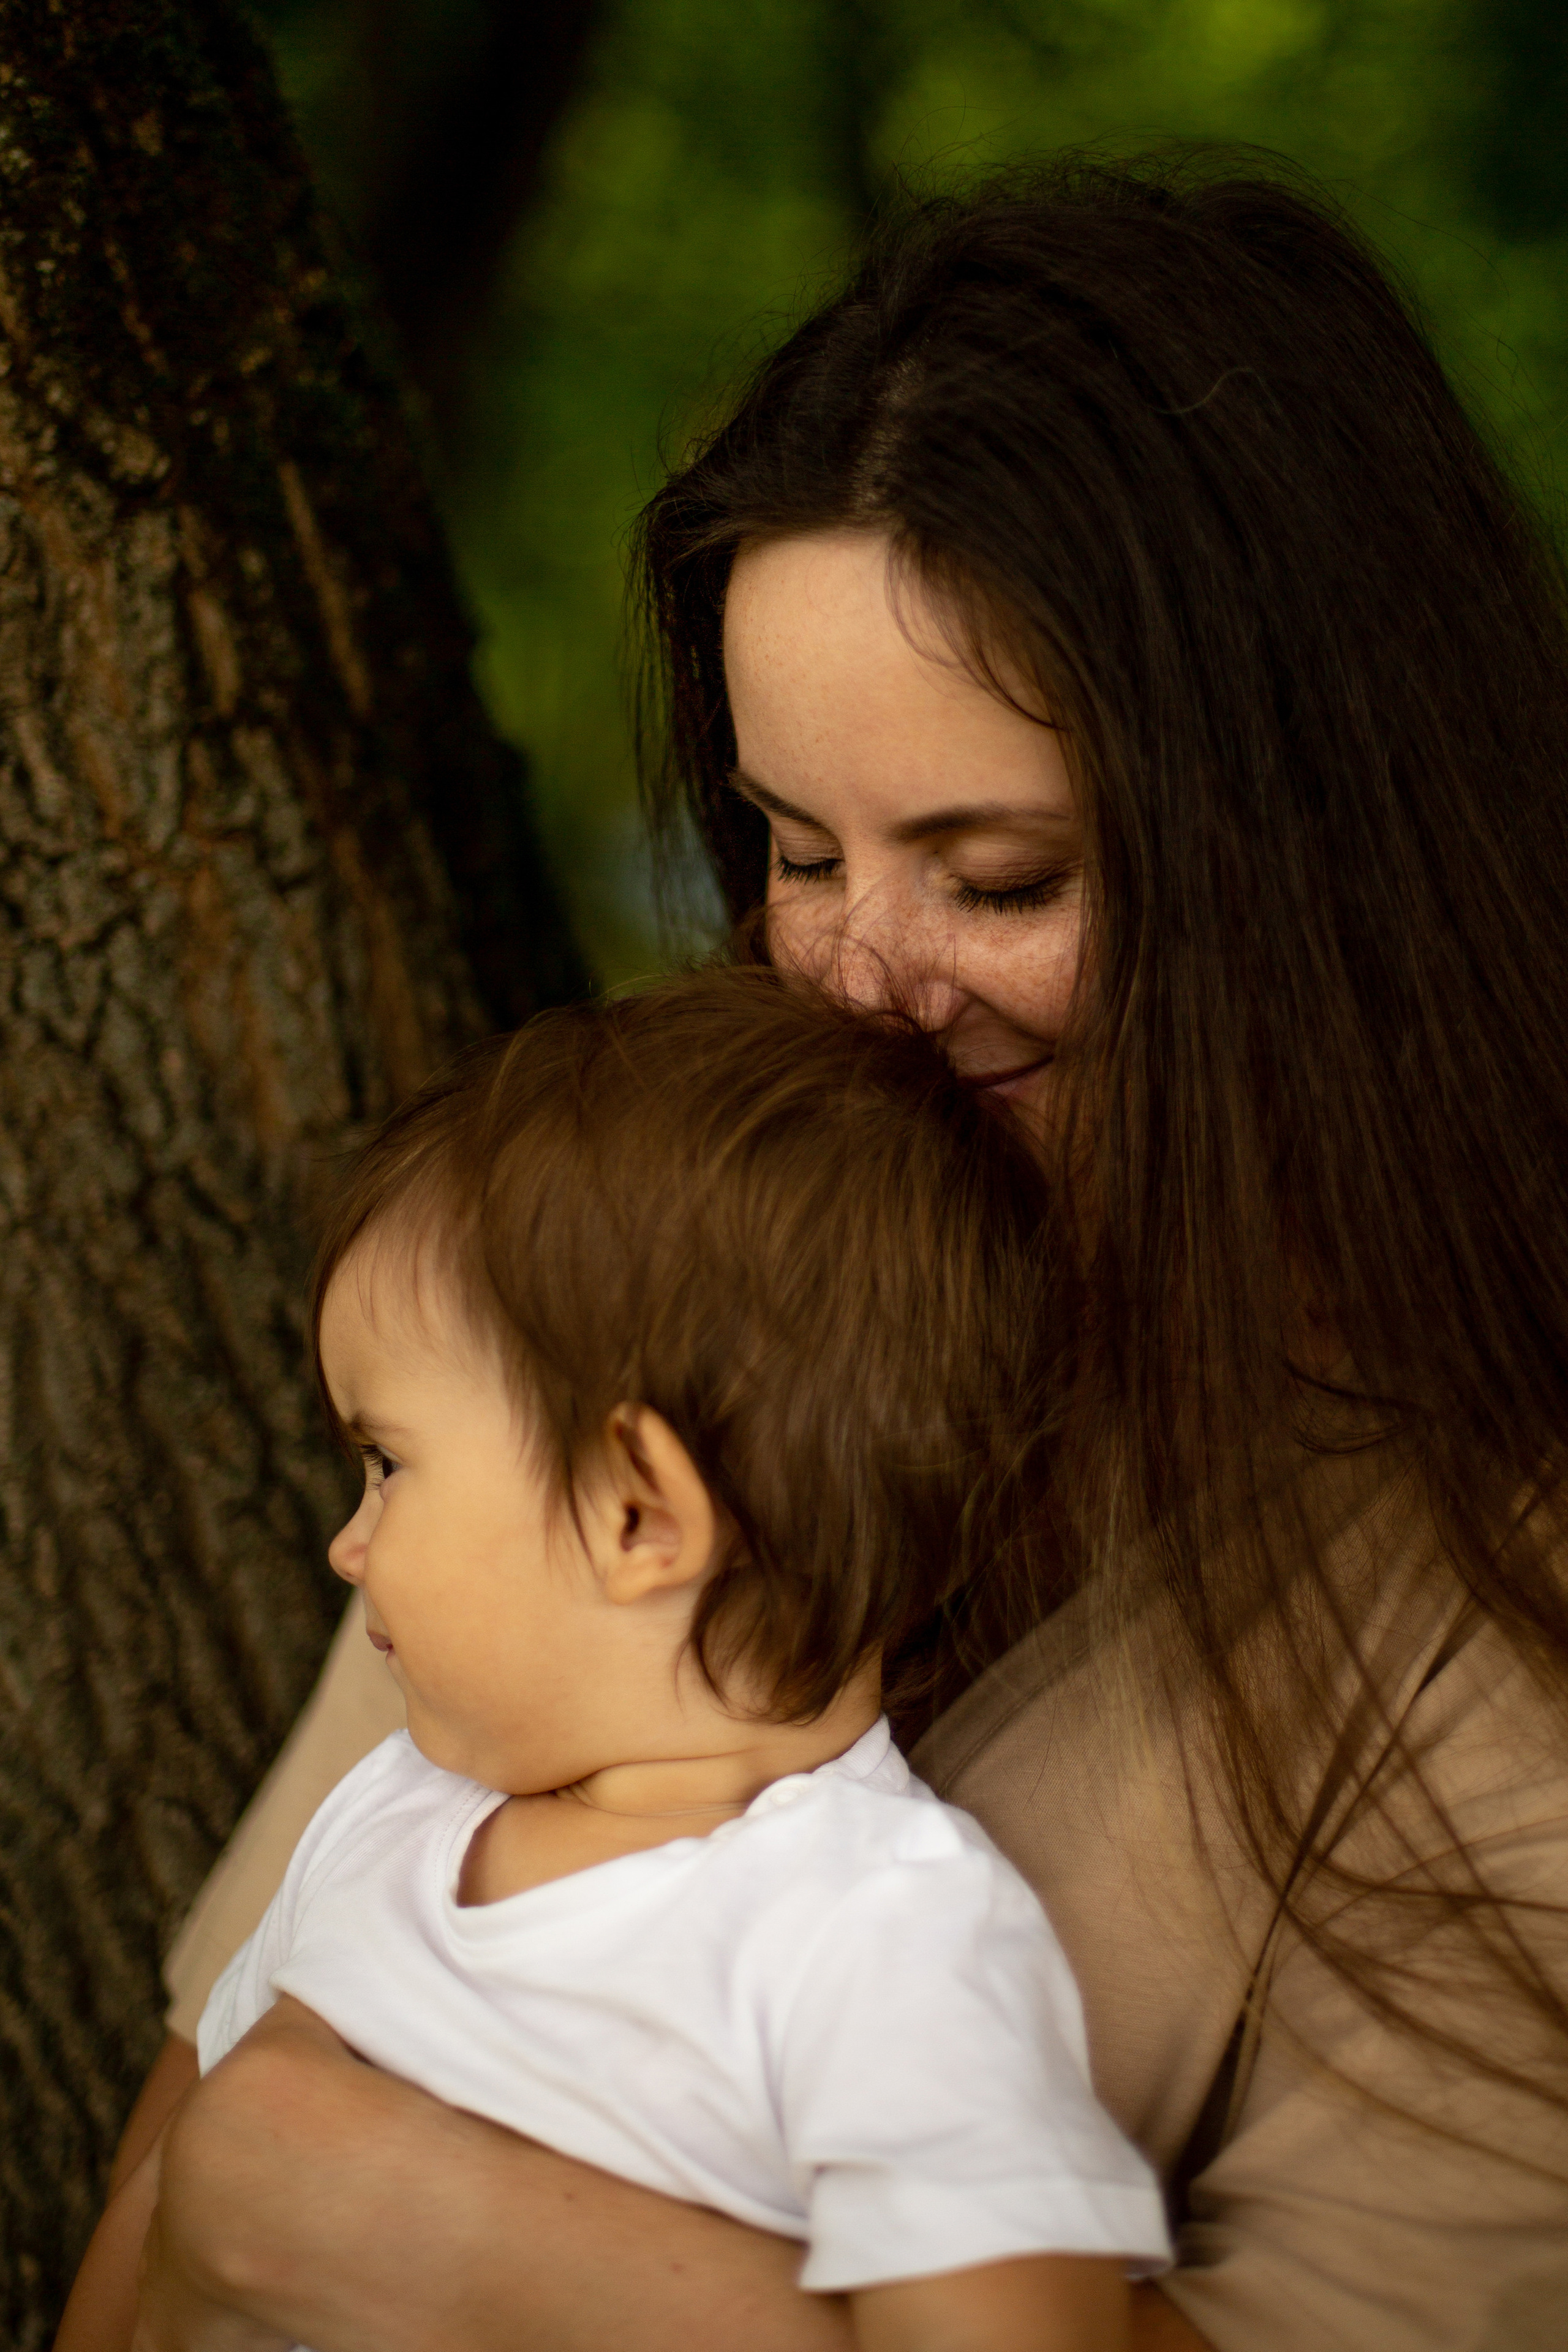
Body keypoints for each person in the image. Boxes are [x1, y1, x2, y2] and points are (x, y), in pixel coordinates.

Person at [107, 154, 1568, 2352]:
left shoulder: (1494, 1614)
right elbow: (202, 2109)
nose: (862, 979)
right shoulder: (635, 1288)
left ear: (1323, 860)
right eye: (797, 853)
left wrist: (448, 2239)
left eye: (997, 876)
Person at [59, 971, 1171, 2351]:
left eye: (387, 1463)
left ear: (637, 1511)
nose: (349, 1548)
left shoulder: (876, 1939)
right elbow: (174, 2195)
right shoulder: (391, 1816)